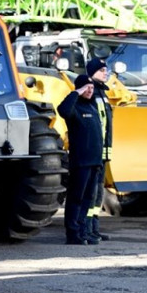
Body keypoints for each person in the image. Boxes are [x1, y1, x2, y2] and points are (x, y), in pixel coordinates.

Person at [58, 75, 103, 245]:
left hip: (94, 162)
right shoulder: (74, 106)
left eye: (91, 89)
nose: (90, 91)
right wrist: (76, 93)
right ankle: (72, 233)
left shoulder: (92, 107)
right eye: (86, 88)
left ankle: (83, 230)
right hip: (81, 162)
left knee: (88, 199)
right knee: (76, 198)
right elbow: (63, 110)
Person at [84, 57, 113, 244]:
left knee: (98, 193)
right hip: (94, 151)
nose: (105, 72)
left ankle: (94, 229)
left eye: (105, 70)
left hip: (102, 152)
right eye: (102, 70)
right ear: (93, 72)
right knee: (91, 192)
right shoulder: (92, 93)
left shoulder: (102, 93)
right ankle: (86, 229)